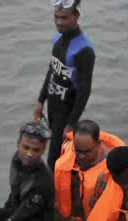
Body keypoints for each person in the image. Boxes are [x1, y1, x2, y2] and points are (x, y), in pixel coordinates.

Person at [33, 0, 96, 171]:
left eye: (65, 18)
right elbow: (52, 71)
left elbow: (84, 90)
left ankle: (57, 194)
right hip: (52, 107)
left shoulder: (83, 49)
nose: (59, 22)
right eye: (56, 17)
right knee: (52, 152)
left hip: (67, 111)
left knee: (56, 158)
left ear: (76, 16)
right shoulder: (57, 39)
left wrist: (70, 123)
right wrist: (40, 101)